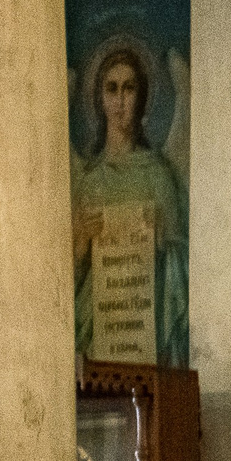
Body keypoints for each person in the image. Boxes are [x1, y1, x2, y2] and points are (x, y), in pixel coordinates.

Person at [72, 44, 189, 365]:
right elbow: (71, 274)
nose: (120, 101)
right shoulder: (90, 181)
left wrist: (161, 238)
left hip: (144, 321)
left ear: (142, 98)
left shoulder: (158, 175)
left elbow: (179, 264)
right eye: (111, 89)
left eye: (129, 88)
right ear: (100, 99)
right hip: (100, 325)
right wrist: (82, 243)